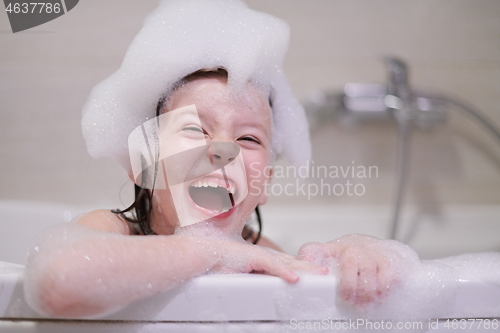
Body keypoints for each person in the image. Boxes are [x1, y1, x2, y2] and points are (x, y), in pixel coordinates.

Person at [24, 0, 409, 318]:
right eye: (195, 130)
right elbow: (57, 282)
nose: (223, 151)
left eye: (248, 137)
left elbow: (313, 294)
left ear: (264, 186)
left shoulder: (259, 251)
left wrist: (355, 255)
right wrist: (208, 249)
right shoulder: (115, 231)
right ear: (143, 163)